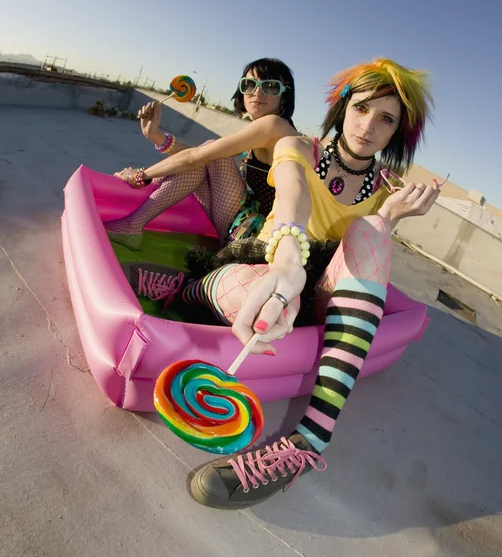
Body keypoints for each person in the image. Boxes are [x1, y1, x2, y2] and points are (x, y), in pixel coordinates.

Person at [181, 57, 444, 509]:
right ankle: (184, 289)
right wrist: (288, 260)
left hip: (316, 296)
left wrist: (388, 216)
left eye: (386, 119)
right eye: (362, 108)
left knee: (374, 230)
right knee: (252, 291)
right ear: (342, 107)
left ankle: (309, 442)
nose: (368, 126)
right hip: (270, 270)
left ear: (397, 132)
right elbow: (292, 194)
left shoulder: (386, 188)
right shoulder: (300, 146)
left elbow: (360, 259)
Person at [104, 58, 298, 249]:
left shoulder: (274, 125)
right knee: (206, 157)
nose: (257, 92)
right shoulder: (267, 128)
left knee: (212, 154)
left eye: (270, 86)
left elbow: (196, 157)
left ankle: (132, 223)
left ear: (284, 96)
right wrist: (156, 136)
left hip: (257, 237)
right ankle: (133, 225)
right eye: (249, 84)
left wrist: (140, 176)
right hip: (249, 227)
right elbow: (199, 156)